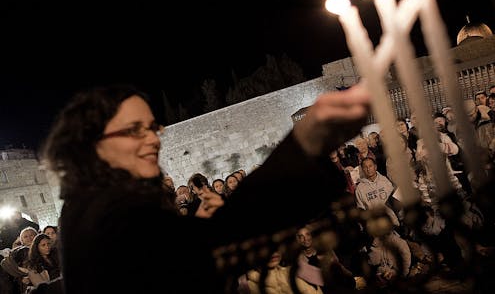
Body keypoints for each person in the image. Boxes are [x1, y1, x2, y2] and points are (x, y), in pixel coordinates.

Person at [40, 83, 370, 293]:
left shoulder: (91, 201)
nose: (153, 139)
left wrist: (199, 229)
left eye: (153, 128)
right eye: (134, 130)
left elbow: (172, 264)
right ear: (92, 145)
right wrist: (304, 143)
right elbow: (215, 247)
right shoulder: (105, 209)